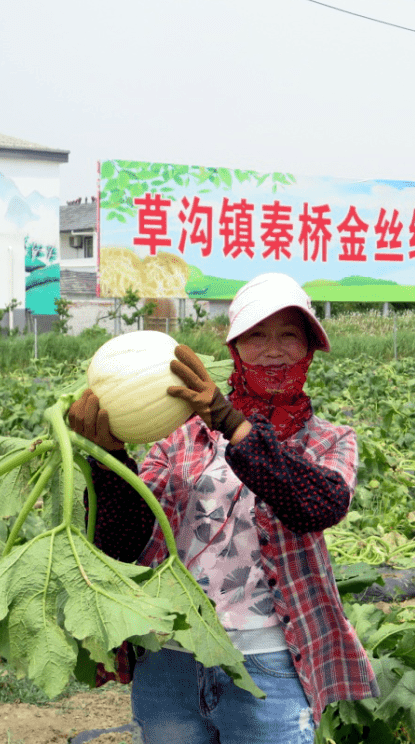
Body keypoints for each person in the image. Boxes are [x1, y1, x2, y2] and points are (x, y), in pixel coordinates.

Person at [67, 272, 378, 744]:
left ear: (310, 349)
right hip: (169, 659)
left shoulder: (330, 441)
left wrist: (233, 424)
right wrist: (110, 466)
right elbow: (124, 540)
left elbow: (318, 503)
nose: (273, 349)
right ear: (235, 348)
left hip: (268, 663)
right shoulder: (177, 437)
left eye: (288, 335)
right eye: (256, 335)